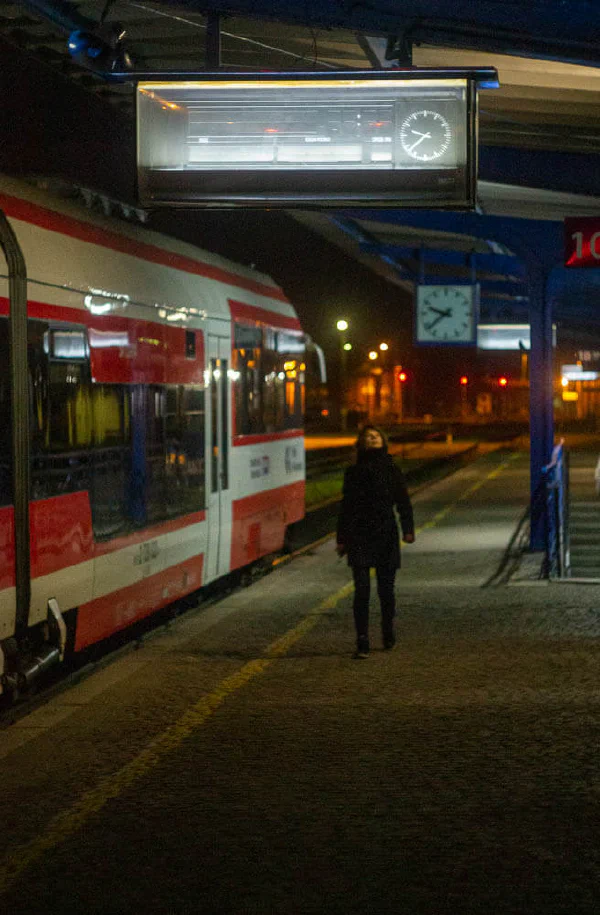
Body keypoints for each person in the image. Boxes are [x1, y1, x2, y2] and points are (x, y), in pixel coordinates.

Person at [336, 425, 415, 658]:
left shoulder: (392, 469)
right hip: (358, 535)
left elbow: (403, 501)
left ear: (383, 440)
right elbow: (346, 507)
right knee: (361, 590)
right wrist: (342, 539)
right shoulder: (353, 472)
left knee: (386, 590)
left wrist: (408, 530)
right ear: (361, 442)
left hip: (385, 533)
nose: (372, 439)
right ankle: (362, 639)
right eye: (367, 437)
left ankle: (387, 630)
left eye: (376, 436)